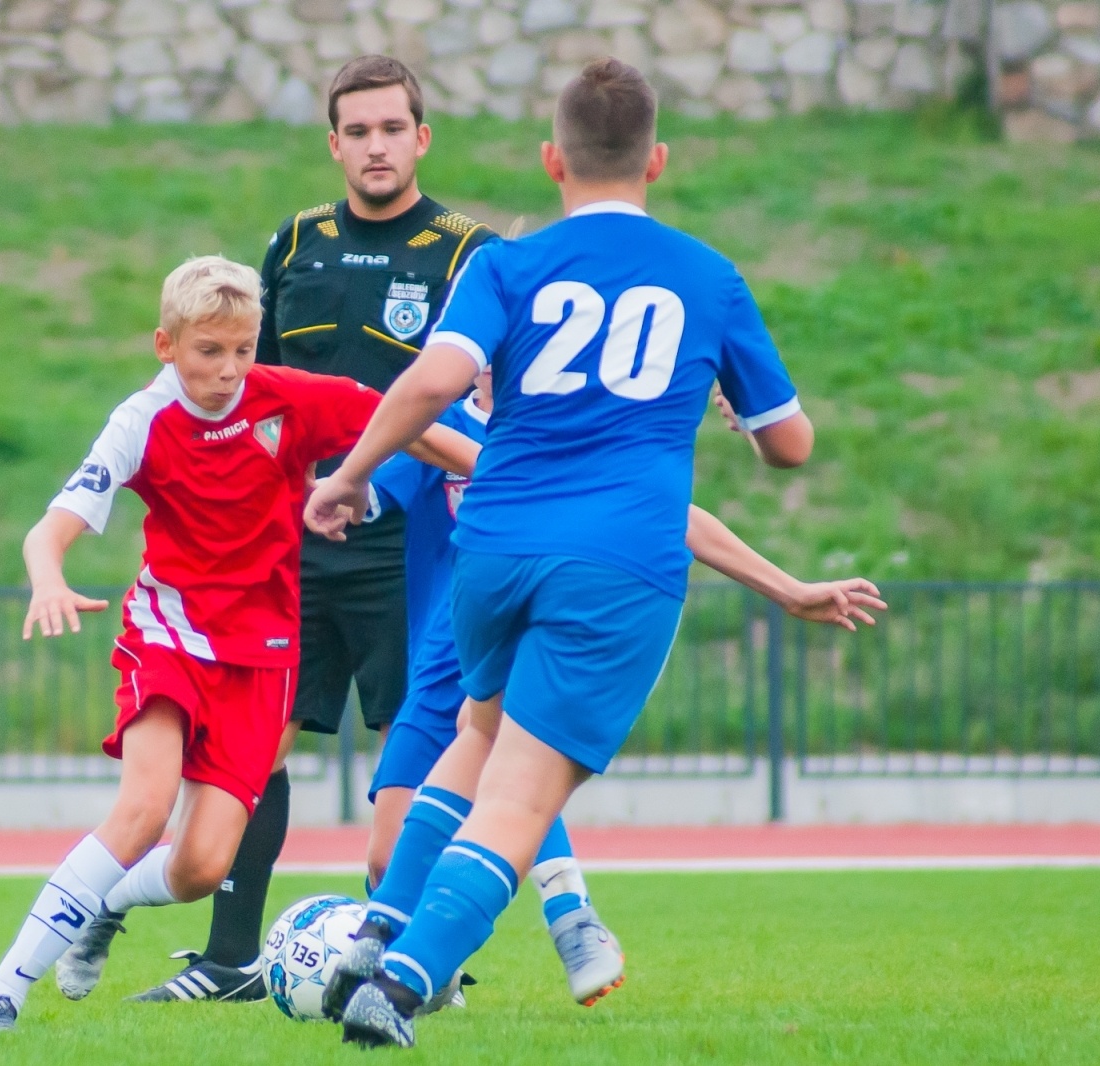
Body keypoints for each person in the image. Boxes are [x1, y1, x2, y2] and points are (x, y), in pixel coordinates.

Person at [302, 58, 882, 1048]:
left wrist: (350, 474)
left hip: (494, 547)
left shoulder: (504, 265)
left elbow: (430, 383)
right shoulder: (706, 276)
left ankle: (375, 933)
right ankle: (398, 988)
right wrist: (734, 411)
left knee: (476, 741)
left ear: (550, 161)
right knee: (523, 794)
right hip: (615, 567)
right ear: (657, 159)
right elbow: (791, 446)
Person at [0, 256, 475, 1033]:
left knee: (200, 870)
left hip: (263, 659)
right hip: (168, 638)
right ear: (166, 345)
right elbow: (51, 526)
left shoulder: (285, 397)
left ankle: (105, 905)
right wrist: (48, 577)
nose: (229, 370)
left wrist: (495, 472)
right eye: (209, 352)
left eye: (243, 349)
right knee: (143, 808)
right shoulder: (142, 421)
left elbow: (402, 420)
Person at [97, 54, 501, 1006]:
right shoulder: (294, 245)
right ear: (334, 143)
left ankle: (415, 962)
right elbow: (245, 390)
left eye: (391, 128)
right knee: (255, 751)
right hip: (292, 552)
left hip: (417, 552)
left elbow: (486, 391)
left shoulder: (466, 252)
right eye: (357, 131)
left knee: (432, 759)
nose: (375, 146)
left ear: (421, 137)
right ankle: (229, 959)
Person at [355, 367, 883, 1010]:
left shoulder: (565, 427)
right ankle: (447, 947)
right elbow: (380, 468)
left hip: (531, 630)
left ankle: (535, 926)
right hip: (448, 641)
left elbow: (678, 516)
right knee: (393, 850)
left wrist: (791, 588)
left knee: (506, 764)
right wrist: (323, 476)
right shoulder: (449, 415)